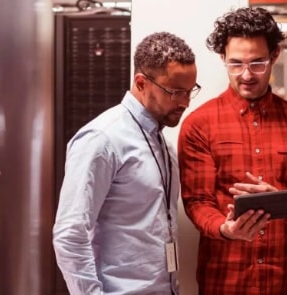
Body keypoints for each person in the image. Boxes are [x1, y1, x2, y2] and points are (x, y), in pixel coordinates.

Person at [177, 7, 287, 295]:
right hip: (225, 282)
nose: (246, 75)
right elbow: (196, 201)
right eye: (235, 64)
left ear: (275, 55)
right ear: (222, 58)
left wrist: (279, 203)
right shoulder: (199, 125)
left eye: (258, 63)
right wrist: (224, 228)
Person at [53, 32, 200, 295]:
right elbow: (70, 234)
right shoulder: (102, 139)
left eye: (190, 91)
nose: (185, 102)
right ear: (141, 82)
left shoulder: (162, 143)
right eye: (176, 92)